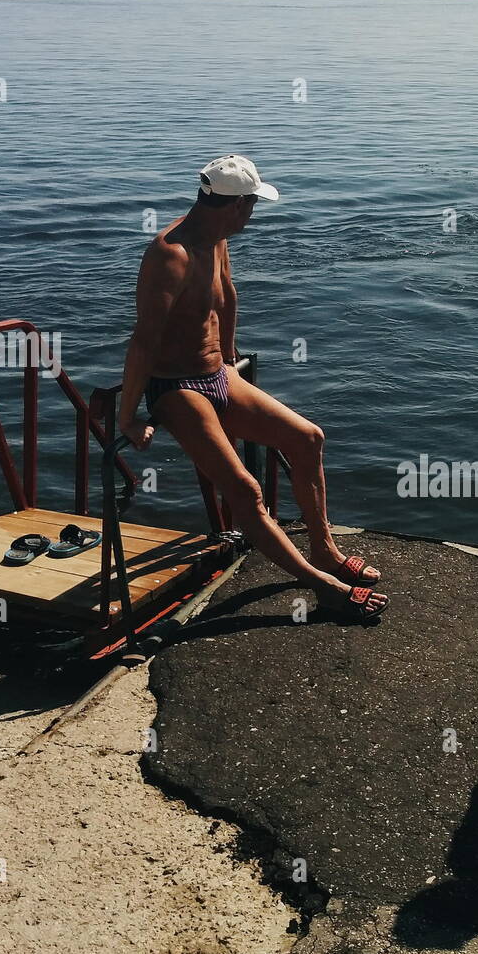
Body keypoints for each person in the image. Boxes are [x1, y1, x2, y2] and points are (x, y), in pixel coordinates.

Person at [118, 155, 388, 619]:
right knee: (245, 490)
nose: (253, 216)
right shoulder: (171, 254)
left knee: (308, 438)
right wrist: (129, 417)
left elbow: (226, 295)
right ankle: (320, 584)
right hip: (176, 387)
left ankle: (322, 549)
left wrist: (229, 357)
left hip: (217, 375)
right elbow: (144, 341)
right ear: (237, 205)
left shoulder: (215, 239)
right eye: (252, 206)